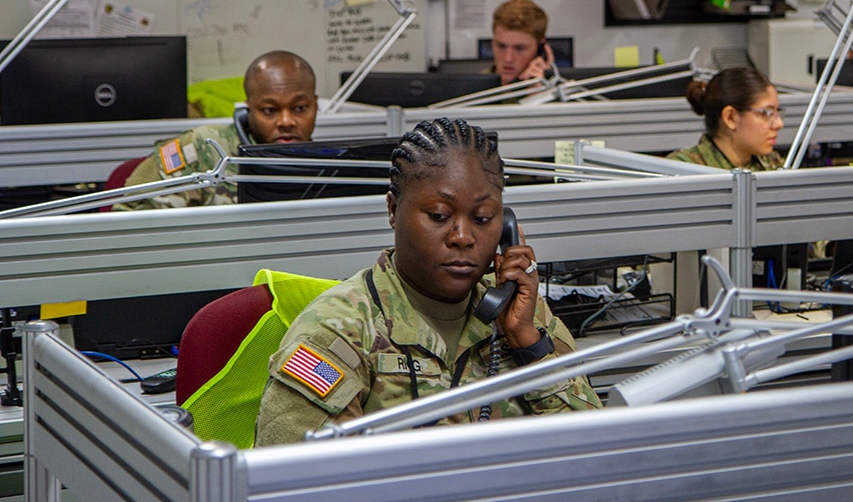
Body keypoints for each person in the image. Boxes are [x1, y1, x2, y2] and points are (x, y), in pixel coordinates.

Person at [255, 117, 601, 446]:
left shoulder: (523, 316)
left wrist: (529, 344)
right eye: (439, 215)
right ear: (393, 210)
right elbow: (293, 481)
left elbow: (599, 452)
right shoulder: (336, 335)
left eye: (483, 218)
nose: (463, 237)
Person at [112, 50, 318, 210]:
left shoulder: (332, 165)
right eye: (270, 110)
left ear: (315, 106)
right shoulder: (201, 147)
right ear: (248, 110)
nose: (286, 121)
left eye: (300, 108)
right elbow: (128, 223)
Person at [667, 66, 784, 171]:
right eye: (766, 113)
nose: (779, 124)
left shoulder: (772, 164)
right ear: (730, 118)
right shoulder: (682, 170)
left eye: (777, 112)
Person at [491, 0, 556, 85]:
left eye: (519, 48)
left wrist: (538, 94)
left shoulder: (561, 92)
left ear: (540, 48)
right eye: (501, 46)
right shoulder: (471, 88)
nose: (508, 58)